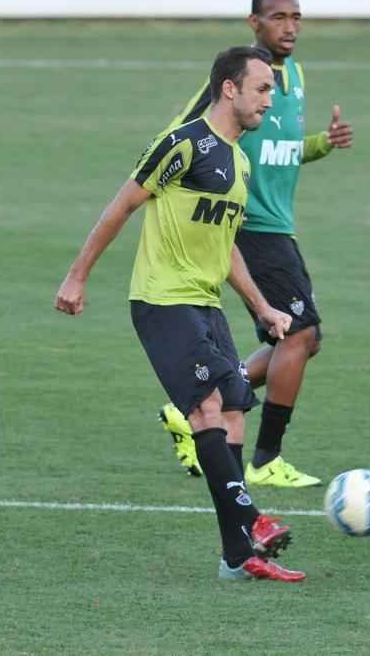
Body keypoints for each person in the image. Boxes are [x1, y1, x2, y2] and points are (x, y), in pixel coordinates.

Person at [56, 47, 306, 582]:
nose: (270, 98)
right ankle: (250, 520)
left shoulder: (239, 162)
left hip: (206, 304)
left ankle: (236, 556)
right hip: (163, 301)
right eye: (262, 88)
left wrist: (261, 306)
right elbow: (122, 204)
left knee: (235, 412)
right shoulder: (184, 144)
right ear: (229, 88)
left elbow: (226, 243)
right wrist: (78, 276)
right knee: (207, 408)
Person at [158, 0, 354, 488]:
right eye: (278, 17)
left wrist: (322, 145)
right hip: (248, 226)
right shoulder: (239, 78)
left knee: (301, 341)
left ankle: (197, 405)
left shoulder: (292, 76)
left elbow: (283, 149)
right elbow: (180, 133)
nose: (289, 26)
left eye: (296, 17)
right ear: (255, 23)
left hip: (278, 226)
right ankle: (266, 460)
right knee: (300, 333)